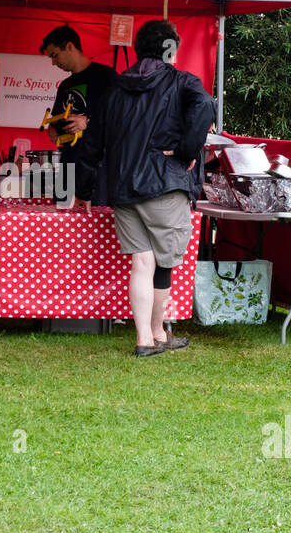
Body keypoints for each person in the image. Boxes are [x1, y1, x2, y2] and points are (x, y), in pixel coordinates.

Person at [75, 19, 214, 357]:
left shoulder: (114, 90)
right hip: (165, 184)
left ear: (138, 49)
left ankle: (145, 340)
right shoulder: (182, 82)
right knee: (164, 263)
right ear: (170, 49)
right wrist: (186, 150)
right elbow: (206, 105)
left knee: (142, 261)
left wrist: (83, 190)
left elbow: (90, 145)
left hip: (123, 188)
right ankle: (156, 333)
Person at [40, 25, 116, 205]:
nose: (53, 62)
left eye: (54, 55)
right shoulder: (65, 85)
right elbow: (58, 118)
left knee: (95, 222)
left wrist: (88, 122)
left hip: (98, 168)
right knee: (61, 220)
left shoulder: (107, 77)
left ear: (69, 46)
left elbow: (123, 118)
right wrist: (54, 130)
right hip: (68, 163)